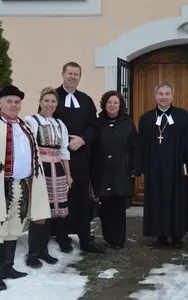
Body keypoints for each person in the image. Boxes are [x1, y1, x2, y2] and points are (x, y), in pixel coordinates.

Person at [0, 85, 51, 291]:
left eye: (17, 102)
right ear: (0, 103)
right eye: (9, 101)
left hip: (21, 184)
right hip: (2, 184)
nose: (14, 105)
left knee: (13, 226)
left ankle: (7, 267)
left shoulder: (24, 126)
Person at [53, 62, 104, 253]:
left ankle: (85, 238)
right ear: (63, 74)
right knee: (61, 197)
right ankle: (62, 237)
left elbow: (94, 126)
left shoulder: (86, 99)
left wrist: (82, 140)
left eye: (77, 74)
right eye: (70, 73)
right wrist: (64, 141)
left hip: (81, 156)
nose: (73, 77)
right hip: (58, 157)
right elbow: (47, 122)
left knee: (81, 198)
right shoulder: (53, 97)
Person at [139, 82, 188, 248]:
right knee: (157, 199)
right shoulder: (146, 118)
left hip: (177, 166)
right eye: (161, 94)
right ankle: (160, 235)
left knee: (176, 200)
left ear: (172, 96)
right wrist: (142, 166)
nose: (164, 97)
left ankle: (177, 235)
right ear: (155, 96)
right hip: (154, 167)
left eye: (167, 94)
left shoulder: (183, 116)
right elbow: (141, 145)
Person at [24, 87, 73, 268]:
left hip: (57, 169)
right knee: (39, 212)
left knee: (52, 211)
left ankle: (43, 250)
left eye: (53, 101)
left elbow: (64, 151)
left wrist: (68, 175)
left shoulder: (60, 124)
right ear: (40, 102)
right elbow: (28, 147)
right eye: (46, 100)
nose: (50, 104)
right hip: (39, 169)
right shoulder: (31, 120)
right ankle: (32, 253)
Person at [91, 91, 140, 249]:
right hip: (102, 171)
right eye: (109, 102)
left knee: (118, 208)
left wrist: (134, 168)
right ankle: (108, 238)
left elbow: (135, 147)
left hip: (121, 171)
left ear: (120, 106)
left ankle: (118, 240)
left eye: (115, 103)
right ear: (104, 105)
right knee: (105, 208)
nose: (112, 105)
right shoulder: (97, 123)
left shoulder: (127, 123)